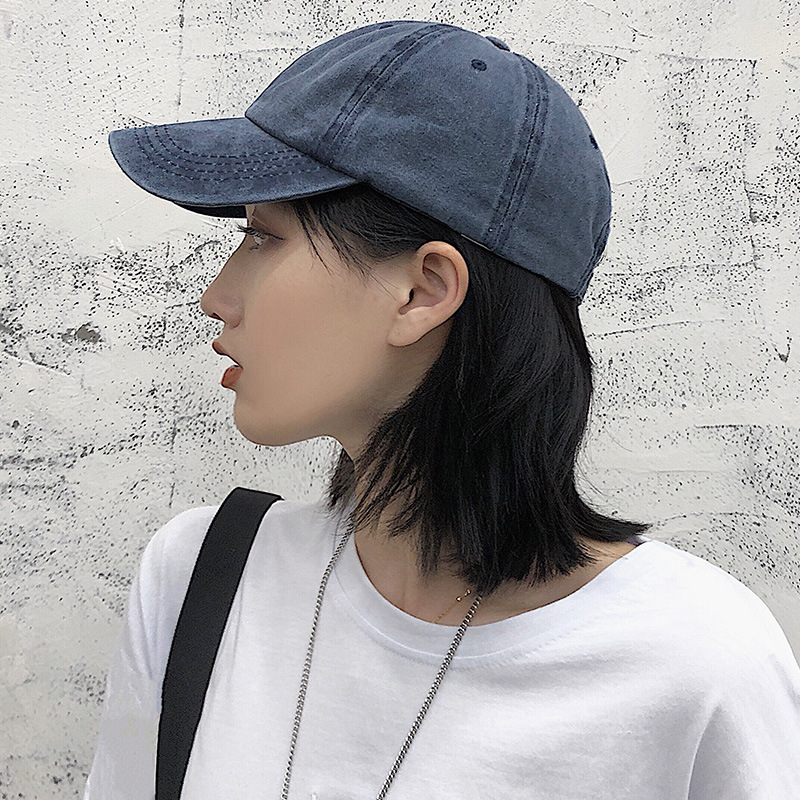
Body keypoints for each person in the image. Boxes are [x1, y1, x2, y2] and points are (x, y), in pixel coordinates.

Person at [84, 19, 800, 800]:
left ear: (423, 291)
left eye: (262, 238)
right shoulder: (200, 581)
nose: (215, 297)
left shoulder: (698, 666)